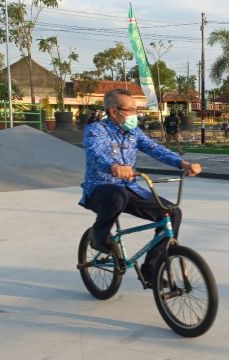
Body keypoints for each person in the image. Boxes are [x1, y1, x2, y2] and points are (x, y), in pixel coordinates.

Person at [80, 89, 201, 287]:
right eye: (131, 110)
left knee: (172, 214)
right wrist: (114, 166)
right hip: (100, 188)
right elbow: (95, 153)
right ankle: (99, 237)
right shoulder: (96, 130)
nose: (136, 114)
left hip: (129, 188)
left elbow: (155, 149)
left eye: (137, 109)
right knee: (117, 195)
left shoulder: (134, 132)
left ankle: (152, 269)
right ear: (113, 111)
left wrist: (183, 164)